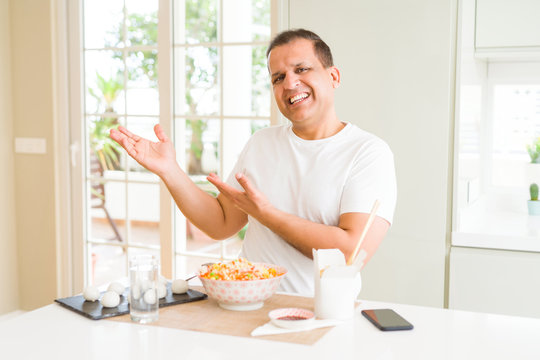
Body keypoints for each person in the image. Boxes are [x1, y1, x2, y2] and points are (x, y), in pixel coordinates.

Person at [110, 29, 397, 295]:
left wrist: (267, 215)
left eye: (301, 69)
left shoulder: (368, 153)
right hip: (247, 304)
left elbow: (348, 253)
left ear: (333, 77)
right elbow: (221, 223)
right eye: (278, 77)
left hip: (317, 317)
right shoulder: (262, 142)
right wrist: (169, 171)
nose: (290, 83)